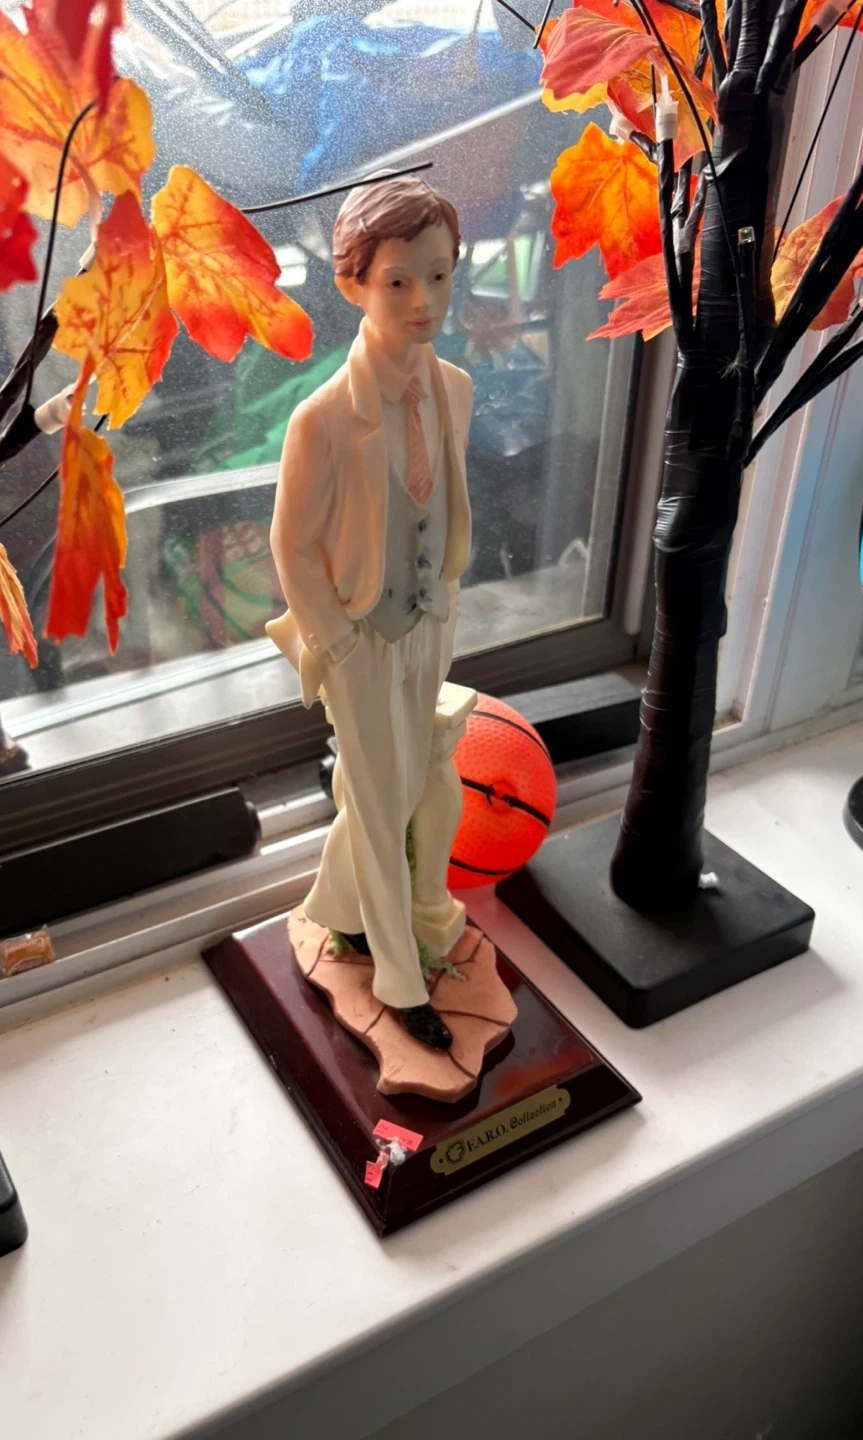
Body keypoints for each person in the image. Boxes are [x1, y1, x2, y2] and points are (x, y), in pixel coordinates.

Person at [268, 176, 474, 1051]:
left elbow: (443, 506)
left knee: (403, 787)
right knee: (383, 805)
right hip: (358, 636)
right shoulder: (321, 420)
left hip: (430, 623)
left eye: (439, 275)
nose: (423, 300)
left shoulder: (454, 389)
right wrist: (341, 644)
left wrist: (444, 602)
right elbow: (291, 546)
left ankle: (336, 905)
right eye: (398, 280)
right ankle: (398, 979)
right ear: (353, 284)